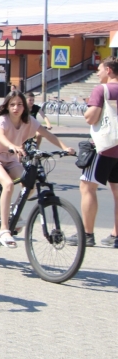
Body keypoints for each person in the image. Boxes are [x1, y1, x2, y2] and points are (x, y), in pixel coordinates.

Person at [0, 91, 75, 248]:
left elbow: (47, 134)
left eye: (19, 104)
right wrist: (12, 145)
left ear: (25, 106)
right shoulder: (2, 120)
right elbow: (1, 136)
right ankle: (3, 231)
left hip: (11, 159)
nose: (16, 108)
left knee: (29, 184)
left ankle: (12, 211)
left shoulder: (29, 121)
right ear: (7, 107)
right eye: (12, 105)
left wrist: (65, 148)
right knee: (8, 184)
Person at [78, 57, 118, 248]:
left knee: (87, 187)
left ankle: (87, 234)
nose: (98, 73)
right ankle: (115, 236)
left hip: (104, 148)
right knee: (117, 192)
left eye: (100, 70)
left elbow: (91, 118)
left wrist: (87, 111)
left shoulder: (101, 90)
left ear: (109, 70)